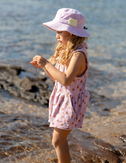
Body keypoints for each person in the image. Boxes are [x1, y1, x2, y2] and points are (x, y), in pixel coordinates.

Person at [30, 8, 90, 163]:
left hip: (71, 103)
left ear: (71, 33)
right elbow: (58, 78)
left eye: (60, 31)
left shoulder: (78, 55)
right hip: (63, 100)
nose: (56, 35)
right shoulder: (67, 50)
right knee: (60, 140)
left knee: (57, 140)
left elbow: (66, 80)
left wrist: (47, 63)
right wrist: (45, 67)